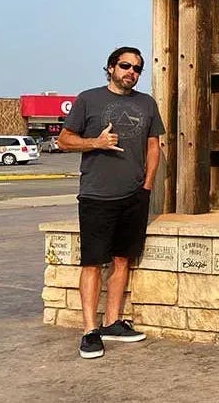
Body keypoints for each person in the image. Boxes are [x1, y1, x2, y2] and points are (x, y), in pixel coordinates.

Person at [58, 46, 164, 359]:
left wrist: (147, 186)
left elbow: (153, 145)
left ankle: (113, 322)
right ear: (110, 68)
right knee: (92, 263)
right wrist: (96, 142)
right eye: (125, 66)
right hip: (96, 195)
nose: (131, 72)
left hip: (134, 196)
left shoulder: (146, 103)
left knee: (122, 260)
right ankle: (90, 331)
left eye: (137, 68)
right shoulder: (88, 99)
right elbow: (64, 140)